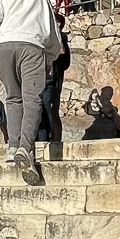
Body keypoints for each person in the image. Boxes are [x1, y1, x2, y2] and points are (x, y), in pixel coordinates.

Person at [0, 0, 63, 185]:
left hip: (5, 47)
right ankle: (25, 148)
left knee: (13, 98)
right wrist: (51, 54)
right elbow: (51, 27)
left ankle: (12, 147)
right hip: (31, 46)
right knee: (32, 100)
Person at [37, 12, 71, 145]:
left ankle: (55, 139)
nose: (56, 25)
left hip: (55, 77)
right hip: (43, 76)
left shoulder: (61, 37)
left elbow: (64, 57)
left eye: (58, 23)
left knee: (52, 109)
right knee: (42, 108)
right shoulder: (46, 37)